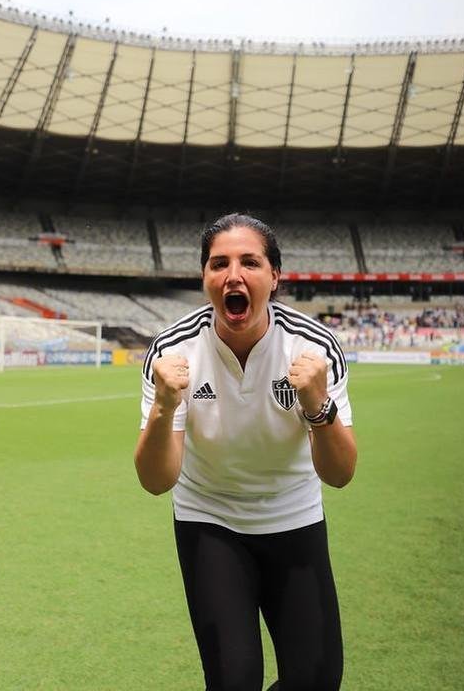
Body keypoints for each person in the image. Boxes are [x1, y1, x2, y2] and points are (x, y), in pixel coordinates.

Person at [134, 213, 357, 691]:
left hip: (293, 514)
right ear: (205, 277)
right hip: (209, 518)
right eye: (219, 264)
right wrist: (164, 407)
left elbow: (340, 473)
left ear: (275, 277)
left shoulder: (314, 348)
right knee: (234, 680)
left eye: (250, 262)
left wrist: (318, 405)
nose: (233, 275)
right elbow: (155, 480)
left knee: (317, 680)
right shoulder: (172, 352)